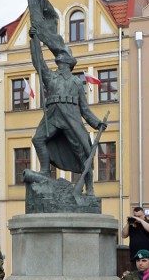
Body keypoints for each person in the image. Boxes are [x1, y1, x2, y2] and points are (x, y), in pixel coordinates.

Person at [27, 26, 107, 195]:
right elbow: (39, 63)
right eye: (59, 59)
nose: (59, 61)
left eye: (62, 59)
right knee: (38, 139)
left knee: (83, 151)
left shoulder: (77, 82)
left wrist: (96, 123)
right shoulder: (51, 77)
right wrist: (34, 42)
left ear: (68, 63)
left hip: (71, 116)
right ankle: (44, 171)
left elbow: (84, 108)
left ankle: (89, 187)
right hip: (54, 114)